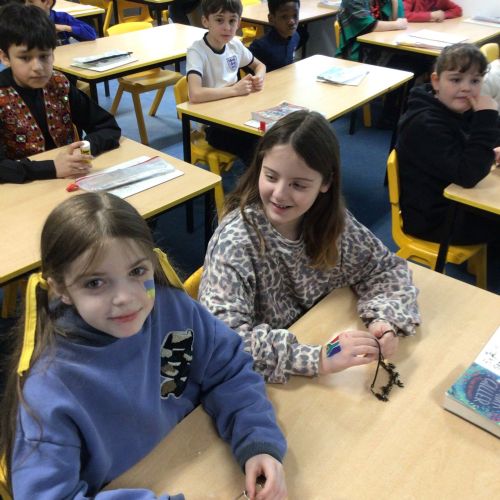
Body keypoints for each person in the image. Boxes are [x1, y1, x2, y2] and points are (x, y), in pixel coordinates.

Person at [0, 192, 287, 499]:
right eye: (95, 283)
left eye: (137, 272)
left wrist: (257, 441)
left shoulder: (173, 309)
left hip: (196, 460)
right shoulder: (49, 389)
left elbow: (229, 370)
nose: (126, 298)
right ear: (61, 289)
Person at [199, 110, 420, 384]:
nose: (280, 193)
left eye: (298, 185)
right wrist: (317, 358)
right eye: (271, 177)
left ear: (325, 183)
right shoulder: (236, 241)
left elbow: (384, 269)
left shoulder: (332, 223)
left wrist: (384, 320)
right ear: (259, 167)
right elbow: (223, 342)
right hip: (264, 380)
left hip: (312, 349)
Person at [0, 3, 120, 184]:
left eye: (44, 56)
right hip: (21, 188)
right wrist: (53, 168)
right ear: (5, 57)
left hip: (69, 180)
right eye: (25, 58)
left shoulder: (58, 83)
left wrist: (84, 149)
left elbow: (107, 126)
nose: (37, 67)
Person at [397, 43, 500, 245]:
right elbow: (467, 175)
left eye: (475, 80)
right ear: (436, 81)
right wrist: (486, 116)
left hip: (456, 201)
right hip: (435, 218)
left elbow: (488, 136)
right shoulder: (424, 124)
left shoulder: (456, 106)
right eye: (456, 79)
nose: (466, 88)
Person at [186, 0, 266, 165]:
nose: (227, 27)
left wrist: (259, 77)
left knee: (270, 133)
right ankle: (254, 179)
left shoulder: (234, 44)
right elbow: (195, 94)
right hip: (212, 125)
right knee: (255, 146)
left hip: (237, 113)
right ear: (206, 21)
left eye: (232, 21)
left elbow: (260, 65)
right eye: (219, 20)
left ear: (239, 23)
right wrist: (235, 90)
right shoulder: (197, 51)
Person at [336, 0, 408, 63]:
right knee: (407, 62)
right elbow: (369, 25)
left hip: (382, 46)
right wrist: (397, 24)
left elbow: (398, 19)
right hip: (359, 51)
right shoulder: (352, 1)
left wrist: (395, 1)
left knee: (410, 60)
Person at [249, 0, 301, 72]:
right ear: (271, 19)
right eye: (284, 16)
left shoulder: (296, 37)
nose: (292, 22)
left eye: (295, 15)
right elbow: (243, 64)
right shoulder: (260, 46)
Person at [26, 0, 97, 45]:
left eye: (31, 2)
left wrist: (66, 28)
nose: (26, 5)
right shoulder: (24, 20)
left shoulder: (62, 18)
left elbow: (91, 35)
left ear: (48, 2)